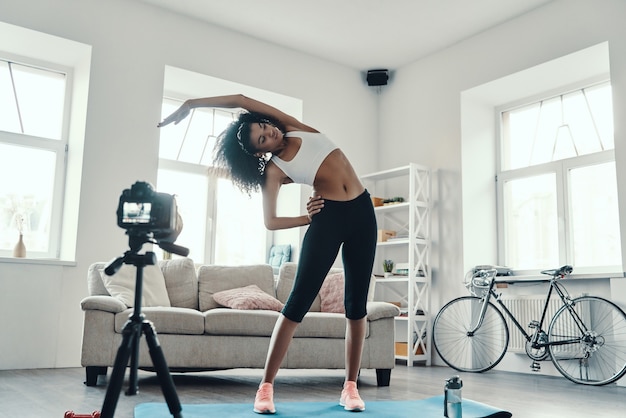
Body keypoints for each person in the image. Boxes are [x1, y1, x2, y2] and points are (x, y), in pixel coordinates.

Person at [158, 94, 377, 414]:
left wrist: (191, 104)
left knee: (356, 307)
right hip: (328, 220)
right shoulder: (275, 170)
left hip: (363, 213)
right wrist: (308, 218)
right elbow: (270, 221)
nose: (268, 132)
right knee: (297, 305)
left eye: (263, 126)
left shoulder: (293, 127)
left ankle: (350, 387)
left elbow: (239, 99)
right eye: (262, 139)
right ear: (261, 152)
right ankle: (265, 387)